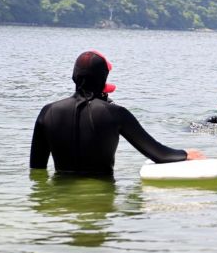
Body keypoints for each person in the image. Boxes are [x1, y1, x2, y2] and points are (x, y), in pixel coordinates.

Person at [30, 50, 204, 175]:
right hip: (100, 198)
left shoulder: (47, 112)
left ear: (74, 77)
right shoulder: (115, 113)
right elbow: (159, 154)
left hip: (59, 202)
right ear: (103, 79)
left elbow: (37, 169)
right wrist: (186, 154)